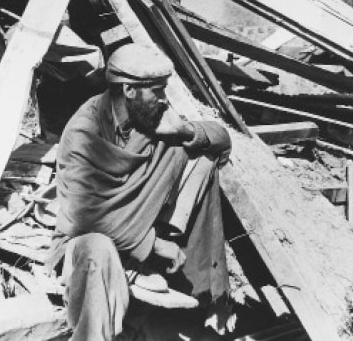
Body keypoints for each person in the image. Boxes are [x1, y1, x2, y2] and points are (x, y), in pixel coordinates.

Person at [47, 43, 232, 340]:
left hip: (137, 237)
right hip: (87, 242)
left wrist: (184, 132)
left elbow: (221, 139)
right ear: (129, 90)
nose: (164, 99)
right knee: (97, 249)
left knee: (201, 156)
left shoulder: (152, 120)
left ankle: (150, 271)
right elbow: (86, 219)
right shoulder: (85, 132)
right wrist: (155, 244)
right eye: (157, 91)